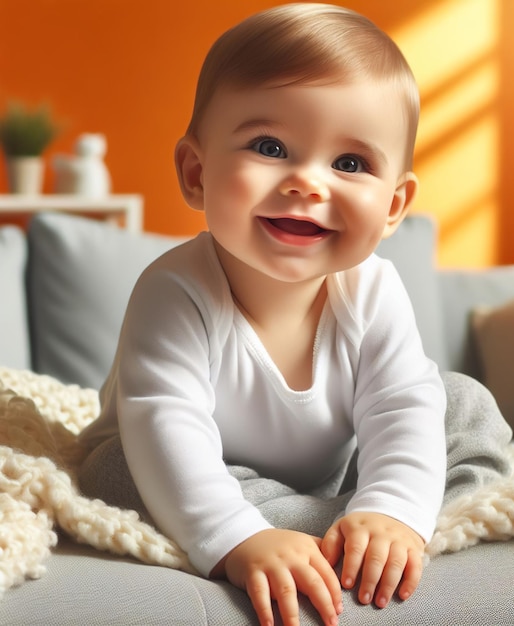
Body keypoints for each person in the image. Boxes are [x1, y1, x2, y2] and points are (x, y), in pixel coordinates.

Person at [79, 4, 448, 625]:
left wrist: (391, 507)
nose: (308, 182)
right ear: (196, 173)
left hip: (331, 467)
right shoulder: (175, 289)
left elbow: (399, 406)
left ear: (393, 205)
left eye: (350, 164)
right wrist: (234, 535)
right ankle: (291, 522)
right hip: (183, 461)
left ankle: (366, 521)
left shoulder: (374, 289)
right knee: (112, 471)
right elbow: (165, 421)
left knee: (456, 405)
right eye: (270, 147)